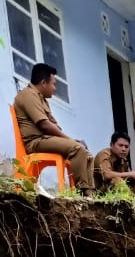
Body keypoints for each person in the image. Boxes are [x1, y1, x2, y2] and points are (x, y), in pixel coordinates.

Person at [14, 63, 94, 195]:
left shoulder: (42, 99)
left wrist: (73, 140)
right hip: (35, 142)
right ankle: (83, 192)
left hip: (46, 139)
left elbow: (54, 125)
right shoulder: (28, 95)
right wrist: (71, 141)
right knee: (77, 149)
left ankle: (91, 194)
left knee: (86, 153)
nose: (55, 88)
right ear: (43, 82)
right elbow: (44, 124)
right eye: (53, 84)